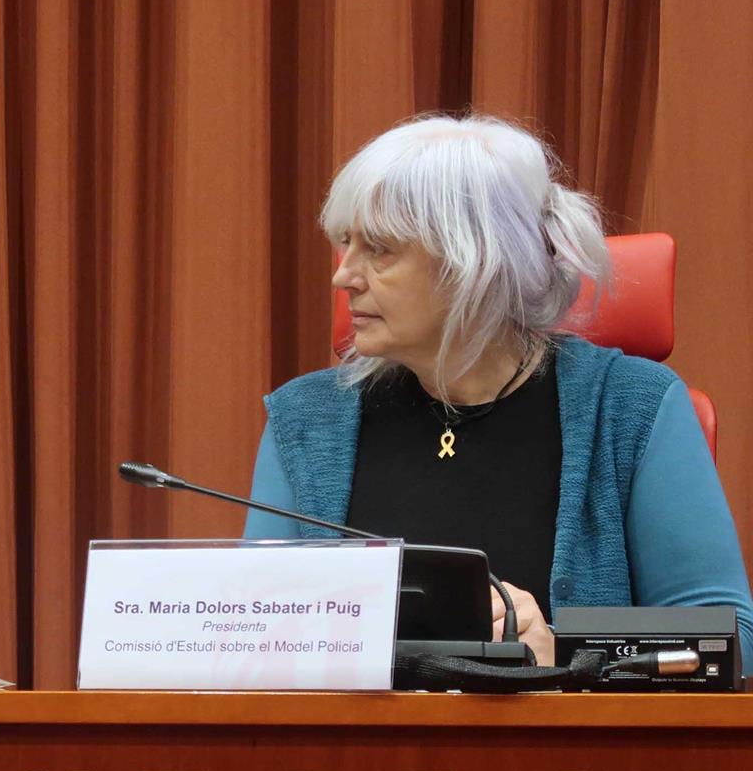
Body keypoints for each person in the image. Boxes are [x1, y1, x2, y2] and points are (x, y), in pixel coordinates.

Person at [244, 114, 753, 665]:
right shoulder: (306, 419)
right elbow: (246, 634)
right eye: (347, 243)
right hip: (356, 728)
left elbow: (730, 640)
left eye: (380, 249)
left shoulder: (632, 407)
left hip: (560, 727)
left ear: (477, 263)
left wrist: (564, 652)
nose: (343, 276)